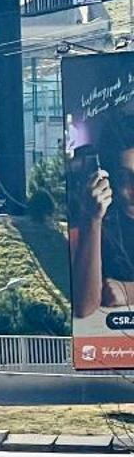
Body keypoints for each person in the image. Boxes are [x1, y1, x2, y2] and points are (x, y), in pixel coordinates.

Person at [70, 124, 134, 321]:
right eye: (125, 178)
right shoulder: (102, 222)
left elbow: (119, 292)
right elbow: (84, 306)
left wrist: (129, 291)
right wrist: (93, 220)